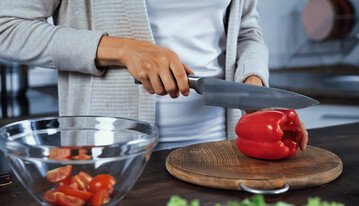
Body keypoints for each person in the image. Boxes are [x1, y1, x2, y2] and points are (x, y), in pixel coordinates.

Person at [0, 0, 308, 151]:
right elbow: (6, 27)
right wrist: (122, 50)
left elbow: (246, 32)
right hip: (112, 160)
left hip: (221, 154)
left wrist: (251, 81)